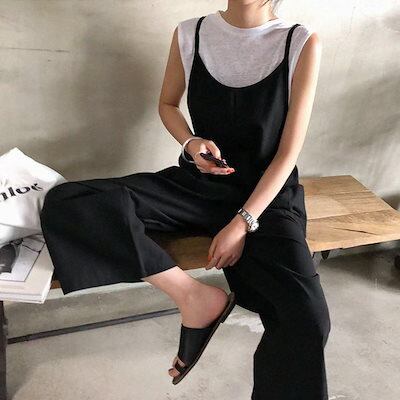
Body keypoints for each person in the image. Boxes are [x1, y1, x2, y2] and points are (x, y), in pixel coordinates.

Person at [39, 1, 331, 398]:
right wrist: (191, 142)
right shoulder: (190, 33)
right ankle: (194, 297)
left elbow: (287, 153)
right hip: (199, 186)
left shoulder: (300, 41)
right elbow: (167, 104)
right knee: (68, 203)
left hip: (266, 197)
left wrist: (242, 222)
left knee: (308, 319)